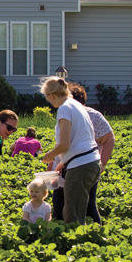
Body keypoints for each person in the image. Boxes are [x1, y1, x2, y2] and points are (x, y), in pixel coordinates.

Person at [50, 82, 116, 224]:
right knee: (60, 206)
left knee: (85, 207)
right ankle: (59, 239)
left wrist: (102, 163)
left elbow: (109, 138)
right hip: (65, 168)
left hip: (80, 166)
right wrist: (56, 163)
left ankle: (89, 239)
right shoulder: (67, 112)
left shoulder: (90, 115)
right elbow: (65, 144)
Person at [41, 77, 101, 225]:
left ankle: (76, 245)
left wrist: (49, 156)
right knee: (84, 208)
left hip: (80, 166)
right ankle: (91, 239)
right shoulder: (76, 105)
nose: (49, 102)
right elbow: (82, 137)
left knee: (72, 215)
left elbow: (64, 144)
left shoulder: (64, 109)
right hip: (92, 161)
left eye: (48, 98)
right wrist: (62, 162)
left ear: (52, 95)